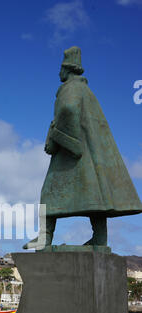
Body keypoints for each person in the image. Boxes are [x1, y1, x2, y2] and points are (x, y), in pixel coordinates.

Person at [24, 46, 142, 250]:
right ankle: (99, 240)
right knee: (95, 198)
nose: (58, 72)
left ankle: (45, 238)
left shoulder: (70, 89)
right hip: (90, 155)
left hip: (72, 153)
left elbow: (68, 110)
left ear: (67, 69)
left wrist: (59, 138)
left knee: (48, 193)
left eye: (61, 68)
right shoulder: (86, 90)